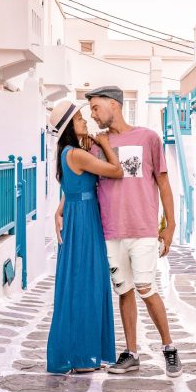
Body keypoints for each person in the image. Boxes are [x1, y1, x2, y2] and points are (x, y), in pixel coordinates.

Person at [55, 85, 182, 378]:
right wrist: (61, 207)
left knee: (146, 287)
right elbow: (81, 179)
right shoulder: (94, 145)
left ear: (113, 104)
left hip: (143, 228)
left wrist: (170, 225)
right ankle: (131, 353)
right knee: (124, 291)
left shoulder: (149, 138)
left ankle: (169, 347)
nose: (93, 115)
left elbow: (163, 183)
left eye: (95, 108)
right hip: (110, 231)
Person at [46, 98, 122, 375]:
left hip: (79, 216)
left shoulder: (69, 152)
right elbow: (116, 171)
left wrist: (60, 208)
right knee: (87, 283)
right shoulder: (77, 154)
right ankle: (82, 356)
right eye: (79, 118)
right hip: (84, 222)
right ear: (69, 127)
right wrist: (104, 144)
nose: (85, 121)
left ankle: (82, 354)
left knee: (80, 282)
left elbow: (71, 188)